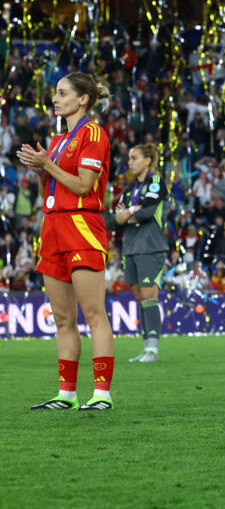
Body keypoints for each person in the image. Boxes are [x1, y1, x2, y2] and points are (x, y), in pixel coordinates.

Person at [18, 73, 115, 410]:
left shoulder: (93, 133)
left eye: (62, 93)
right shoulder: (59, 140)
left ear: (83, 99)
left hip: (81, 225)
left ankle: (102, 394)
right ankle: (67, 394)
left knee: (93, 313)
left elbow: (84, 186)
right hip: (54, 226)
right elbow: (58, 184)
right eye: (55, 94)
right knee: (62, 318)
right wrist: (40, 168)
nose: (55, 99)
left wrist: (47, 164)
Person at [114, 143, 168, 364]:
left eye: (134, 158)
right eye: (129, 158)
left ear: (147, 160)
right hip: (131, 247)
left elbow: (146, 212)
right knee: (140, 298)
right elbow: (116, 219)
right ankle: (146, 348)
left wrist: (129, 213)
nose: (130, 162)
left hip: (150, 246)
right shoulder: (128, 191)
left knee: (148, 296)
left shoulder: (155, 182)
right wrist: (131, 212)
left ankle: (153, 350)